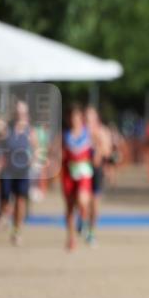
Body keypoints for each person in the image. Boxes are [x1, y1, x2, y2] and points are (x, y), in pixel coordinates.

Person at [0, 100, 38, 246]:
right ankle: (4, 214)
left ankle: (17, 231)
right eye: (18, 112)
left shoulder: (30, 131)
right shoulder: (5, 129)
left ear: (26, 114)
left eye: (23, 112)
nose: (20, 115)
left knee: (20, 200)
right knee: (5, 198)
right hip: (8, 169)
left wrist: (33, 160)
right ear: (14, 113)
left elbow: (36, 148)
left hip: (23, 170)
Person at [60, 105, 94, 251]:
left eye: (77, 117)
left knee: (82, 200)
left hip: (84, 174)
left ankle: (83, 221)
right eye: (72, 117)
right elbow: (56, 152)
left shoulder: (89, 133)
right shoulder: (64, 135)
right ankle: (71, 238)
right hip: (68, 174)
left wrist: (99, 156)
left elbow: (103, 144)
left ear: (81, 118)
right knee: (69, 207)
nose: (74, 120)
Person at [84, 106, 113, 245]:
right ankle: (82, 220)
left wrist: (99, 146)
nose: (89, 121)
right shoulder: (81, 132)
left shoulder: (102, 132)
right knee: (83, 200)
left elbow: (108, 153)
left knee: (94, 202)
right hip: (82, 169)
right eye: (87, 118)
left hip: (96, 170)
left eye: (91, 118)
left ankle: (91, 231)